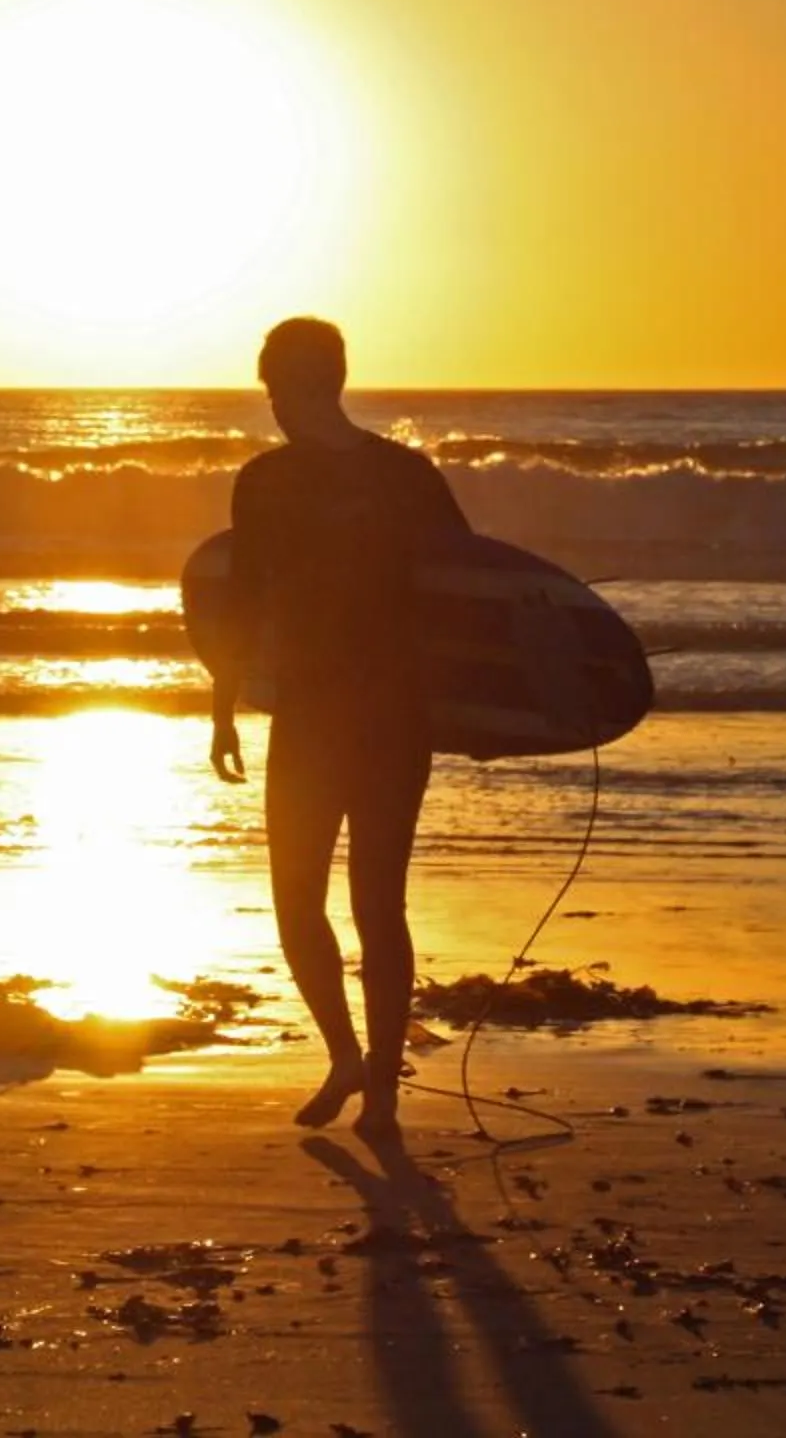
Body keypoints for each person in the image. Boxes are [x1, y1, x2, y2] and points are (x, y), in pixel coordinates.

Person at [209, 317, 470, 1134]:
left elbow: (240, 610)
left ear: (290, 387)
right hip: (391, 716)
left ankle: (361, 1068)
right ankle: (368, 1080)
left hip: (321, 718)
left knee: (307, 903)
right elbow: (464, 595)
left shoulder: (268, 481)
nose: (275, 406)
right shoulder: (406, 474)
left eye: (275, 390)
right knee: (374, 906)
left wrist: (221, 709)